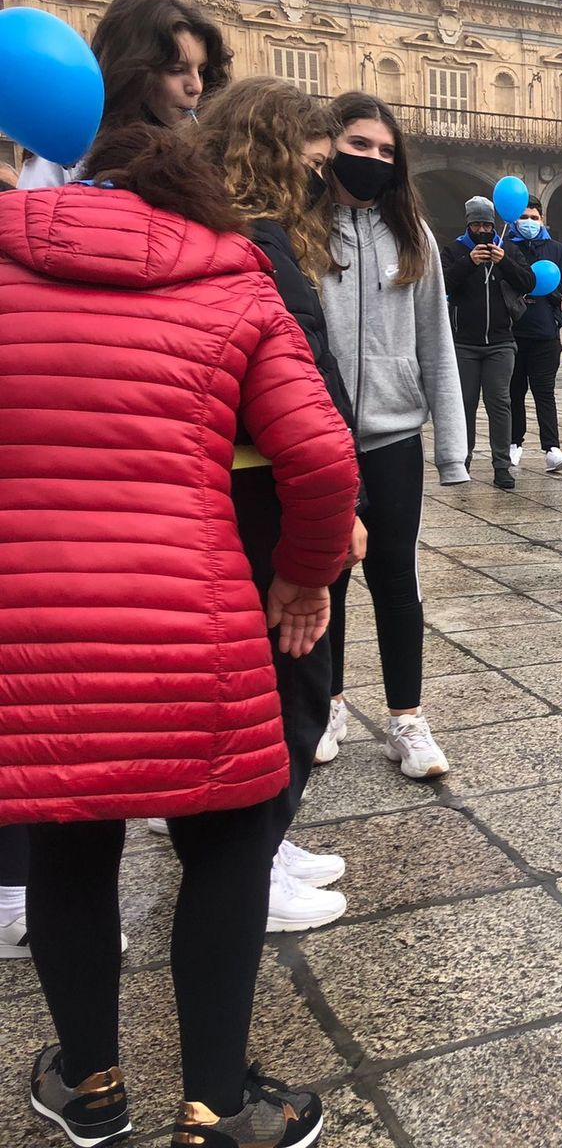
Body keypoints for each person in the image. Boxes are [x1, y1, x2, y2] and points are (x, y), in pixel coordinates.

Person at [0, 125, 357, 1148]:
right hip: (189, 617)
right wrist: (301, 579)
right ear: (194, 193)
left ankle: (91, 1085)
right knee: (231, 842)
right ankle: (219, 1107)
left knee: (69, 840)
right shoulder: (235, 275)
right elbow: (324, 458)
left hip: (34, 627)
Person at [2, 0, 236, 963]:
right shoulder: (82, 194)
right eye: (177, 69)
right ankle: (207, 1094)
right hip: (103, 517)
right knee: (187, 817)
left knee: (69, 797)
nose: (191, 89)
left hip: (88, 528)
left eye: (200, 72)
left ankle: (92, 1081)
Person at [193, 77, 364, 936]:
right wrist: (343, 508)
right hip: (269, 495)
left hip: (253, 489)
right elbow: (307, 381)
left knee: (275, 680)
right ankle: (248, 866)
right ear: (270, 156)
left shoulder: (235, 238)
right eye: (313, 163)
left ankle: (267, 842)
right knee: (293, 683)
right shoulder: (258, 248)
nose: (321, 180)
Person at [315, 91, 469, 780]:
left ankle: (407, 719)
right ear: (329, 148)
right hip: (314, 439)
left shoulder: (414, 237)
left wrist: (452, 449)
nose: (372, 158)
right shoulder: (299, 230)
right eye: (359, 145)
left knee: (395, 577)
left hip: (392, 439)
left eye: (384, 150)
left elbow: (436, 339)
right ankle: (328, 704)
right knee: (327, 576)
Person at [17, 0, 231, 190]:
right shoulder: (67, 150)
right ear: (135, 72)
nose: (196, 86)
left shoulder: (205, 153)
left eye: (201, 70)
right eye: (176, 70)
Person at [442, 196, 536, 491]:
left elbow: (528, 282)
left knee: (500, 403)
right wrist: (467, 263)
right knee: (465, 404)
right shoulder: (454, 250)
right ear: (468, 225)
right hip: (464, 343)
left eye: (487, 224)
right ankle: (462, 460)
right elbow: (442, 284)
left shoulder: (507, 248)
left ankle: (501, 466)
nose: (482, 230)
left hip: (500, 342)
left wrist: (503, 261)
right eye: (477, 224)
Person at [506, 198, 562, 475]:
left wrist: (555, 317)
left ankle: (552, 448)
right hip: (513, 333)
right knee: (514, 392)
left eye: (534, 217)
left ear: (543, 219)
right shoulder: (507, 247)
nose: (529, 222)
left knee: (544, 392)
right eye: (524, 217)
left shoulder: (555, 249)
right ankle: (514, 444)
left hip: (546, 335)